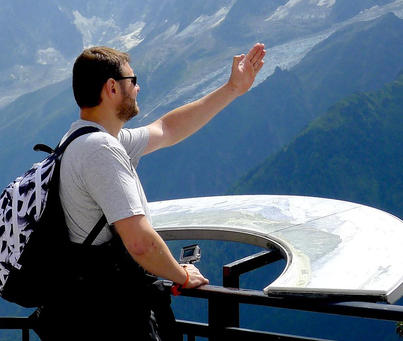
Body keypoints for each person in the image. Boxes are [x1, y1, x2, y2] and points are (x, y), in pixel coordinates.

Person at [32, 43, 265, 340]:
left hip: (89, 310)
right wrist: (182, 275)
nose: (138, 88)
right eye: (133, 80)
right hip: (111, 317)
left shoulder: (81, 139)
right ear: (112, 88)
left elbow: (167, 129)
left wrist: (232, 88)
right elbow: (140, 243)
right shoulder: (99, 150)